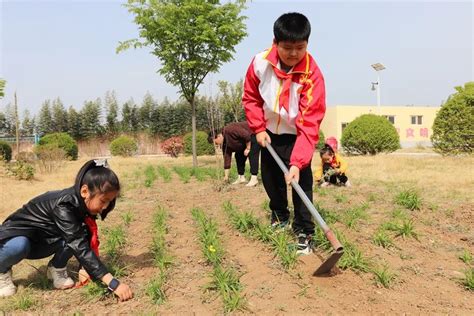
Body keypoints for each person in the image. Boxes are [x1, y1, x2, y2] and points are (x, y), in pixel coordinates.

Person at [242, 12, 326, 255]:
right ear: (275, 42)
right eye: (287, 48)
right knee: (271, 180)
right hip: (268, 133)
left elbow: (310, 122)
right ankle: (279, 215)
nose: (293, 54)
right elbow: (251, 97)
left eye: (300, 47)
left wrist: (298, 162)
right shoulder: (259, 63)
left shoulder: (312, 75)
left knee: (301, 184)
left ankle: (304, 230)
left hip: (297, 135)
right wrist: (258, 128)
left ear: (307, 44)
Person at [0, 159, 133, 301]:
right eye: (103, 200)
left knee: (76, 235)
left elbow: (82, 238)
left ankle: (56, 268)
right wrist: (113, 283)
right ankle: (2, 271)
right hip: (15, 238)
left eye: (110, 201)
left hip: (43, 239)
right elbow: (77, 242)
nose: (106, 206)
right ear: (85, 191)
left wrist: (85, 267)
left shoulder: (82, 205)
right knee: (20, 245)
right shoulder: (63, 205)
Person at [208, 121, 261, 187]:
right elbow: (227, 159)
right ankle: (241, 178)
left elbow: (246, 135)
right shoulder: (224, 144)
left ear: (218, 136)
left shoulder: (229, 129)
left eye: (216, 143)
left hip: (253, 133)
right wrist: (226, 177)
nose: (217, 145)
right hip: (244, 141)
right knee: (238, 155)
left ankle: (254, 178)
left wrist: (248, 148)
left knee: (251, 153)